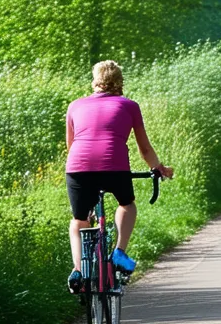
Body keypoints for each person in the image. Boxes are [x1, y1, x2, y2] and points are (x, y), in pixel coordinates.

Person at [65, 60, 173, 293]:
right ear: (119, 81)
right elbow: (145, 149)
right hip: (114, 166)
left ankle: (78, 271)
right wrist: (159, 168)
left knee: (79, 220)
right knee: (126, 204)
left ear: (95, 81)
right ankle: (119, 252)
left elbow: (71, 145)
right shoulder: (129, 105)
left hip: (78, 166)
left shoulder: (74, 106)